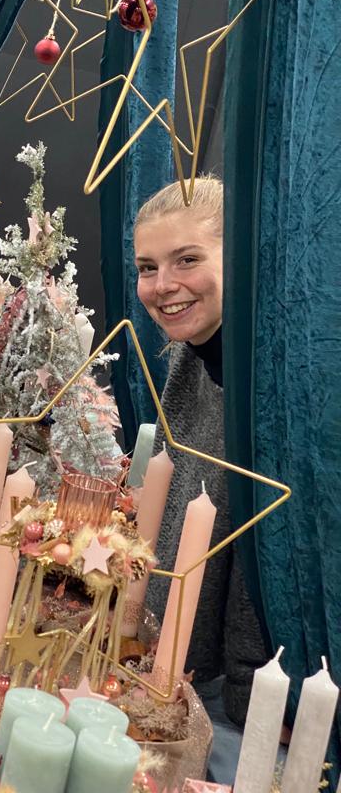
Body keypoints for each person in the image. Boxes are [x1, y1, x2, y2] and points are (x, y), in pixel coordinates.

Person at [133, 175, 268, 726]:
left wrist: (247, 689)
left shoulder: (264, 381)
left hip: (244, 699)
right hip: (172, 665)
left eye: (186, 259)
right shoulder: (190, 357)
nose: (163, 285)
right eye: (147, 267)